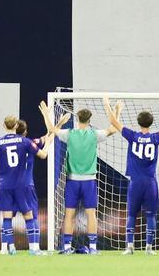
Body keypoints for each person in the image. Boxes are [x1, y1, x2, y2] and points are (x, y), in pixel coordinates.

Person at [0, 114, 52, 255]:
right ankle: (33, 249)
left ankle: (9, 249)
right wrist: (49, 141)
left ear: (4, 126)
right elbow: (43, 154)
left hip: (5, 186)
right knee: (28, 216)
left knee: (7, 218)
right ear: (16, 125)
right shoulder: (26, 142)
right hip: (23, 184)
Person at [44, 103, 108, 254]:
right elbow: (113, 129)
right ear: (89, 119)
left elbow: (51, 130)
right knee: (91, 214)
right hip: (89, 181)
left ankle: (66, 247)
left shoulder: (69, 133)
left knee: (69, 214)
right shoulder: (95, 134)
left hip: (72, 181)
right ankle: (92, 248)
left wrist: (46, 114)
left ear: (77, 118)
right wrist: (115, 111)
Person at [108, 100, 159, 253]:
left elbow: (113, 122)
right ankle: (149, 247)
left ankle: (129, 247)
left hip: (135, 182)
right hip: (150, 182)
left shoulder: (132, 136)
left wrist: (112, 106)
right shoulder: (156, 137)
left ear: (138, 122)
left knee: (131, 215)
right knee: (151, 216)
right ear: (151, 123)